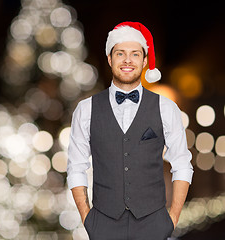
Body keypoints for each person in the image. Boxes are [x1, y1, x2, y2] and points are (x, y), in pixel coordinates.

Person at [67, 21, 193, 240]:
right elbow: (76, 166)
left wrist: (171, 219)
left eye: (135, 54)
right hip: (103, 225)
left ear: (144, 60)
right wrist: (88, 218)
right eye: (120, 53)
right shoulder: (86, 109)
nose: (127, 60)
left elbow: (182, 164)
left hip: (153, 225)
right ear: (109, 58)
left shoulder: (166, 108)